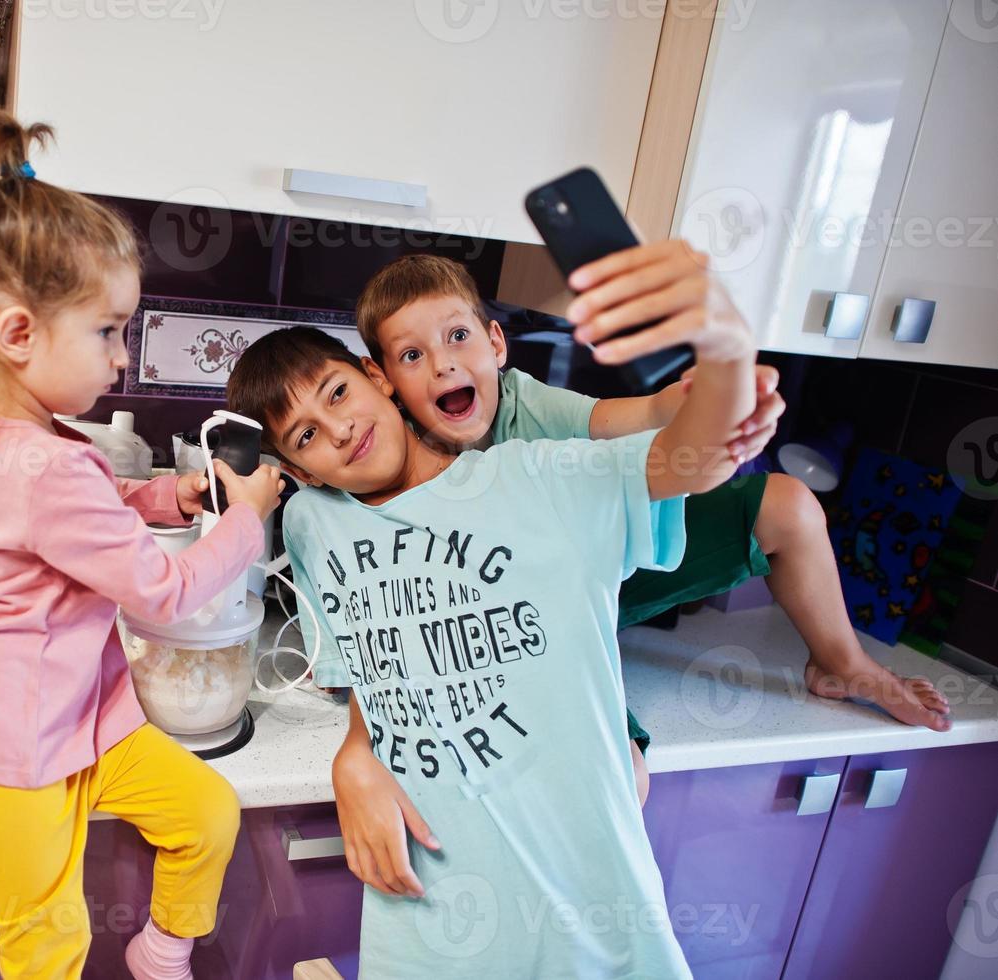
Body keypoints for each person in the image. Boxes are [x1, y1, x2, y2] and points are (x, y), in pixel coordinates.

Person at [226, 241, 756, 977]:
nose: (338, 429)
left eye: (338, 394)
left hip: (585, 912)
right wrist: (358, 754)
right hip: (425, 917)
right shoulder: (317, 524)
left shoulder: (540, 474)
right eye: (306, 434)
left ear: (375, 379)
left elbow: (692, 455)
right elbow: (373, 665)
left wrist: (725, 340)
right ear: (294, 469)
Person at [347, 251, 951, 807]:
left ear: (496, 343)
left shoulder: (522, 402)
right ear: (384, 380)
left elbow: (623, 419)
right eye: (412, 355)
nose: (444, 362)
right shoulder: (395, 455)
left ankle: (840, 661)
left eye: (458, 336)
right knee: (621, 773)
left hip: (597, 584)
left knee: (789, 504)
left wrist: (689, 400)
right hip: (528, 635)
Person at [0, 108, 284, 980]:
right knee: (49, 944)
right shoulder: (41, 466)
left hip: (83, 720)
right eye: (108, 330)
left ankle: (159, 952)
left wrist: (159, 491)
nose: (122, 358)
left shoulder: (0, 428)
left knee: (203, 810)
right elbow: (160, 590)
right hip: (13, 755)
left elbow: (68, 517)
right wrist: (246, 515)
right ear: (17, 334)